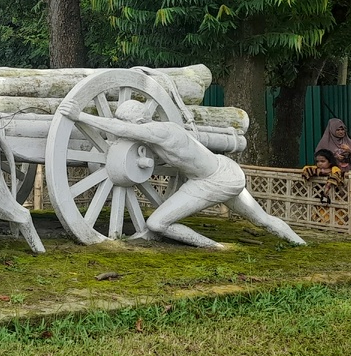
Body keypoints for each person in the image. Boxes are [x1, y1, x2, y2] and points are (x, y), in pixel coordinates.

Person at [60, 99, 306, 248]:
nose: (128, 129)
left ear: (139, 119)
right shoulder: (162, 131)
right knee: (262, 219)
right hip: (225, 171)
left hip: (211, 182)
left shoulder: (160, 131)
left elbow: (119, 128)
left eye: (129, 122)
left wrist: (79, 115)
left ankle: (214, 246)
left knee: (157, 223)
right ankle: (298, 242)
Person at [301, 148, 345, 214]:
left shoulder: (334, 169)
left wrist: (328, 172)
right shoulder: (317, 169)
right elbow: (305, 169)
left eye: (322, 161)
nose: (319, 164)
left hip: (334, 198)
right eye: (317, 161)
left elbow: (336, 174)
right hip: (318, 197)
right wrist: (320, 171)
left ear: (330, 162)